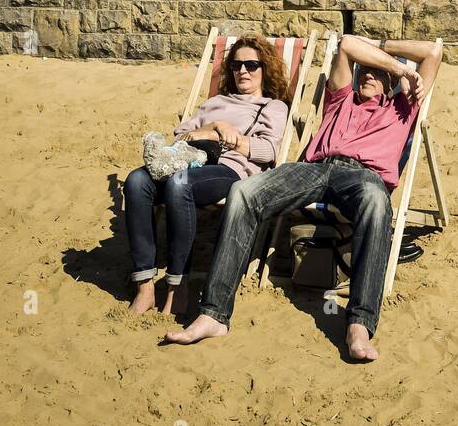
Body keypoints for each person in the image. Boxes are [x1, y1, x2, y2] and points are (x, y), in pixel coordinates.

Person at [166, 33, 443, 361]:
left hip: (364, 177)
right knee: (243, 191)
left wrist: (399, 71)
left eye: (378, 72)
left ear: (392, 82)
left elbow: (433, 51)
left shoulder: (402, 108)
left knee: (374, 203)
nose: (369, 73)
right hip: (314, 168)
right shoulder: (341, 97)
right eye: (365, 69)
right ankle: (213, 314)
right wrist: (392, 63)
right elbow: (346, 45)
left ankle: (359, 324)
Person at [124, 35, 289, 317]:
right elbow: (180, 135)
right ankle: (145, 287)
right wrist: (214, 125)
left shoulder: (272, 106)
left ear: (265, 69)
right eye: (237, 66)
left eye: (252, 64)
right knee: (136, 181)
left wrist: (230, 139)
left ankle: (178, 286)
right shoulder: (215, 101)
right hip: (188, 160)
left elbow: (268, 151)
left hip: (230, 170)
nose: (243, 71)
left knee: (179, 184)